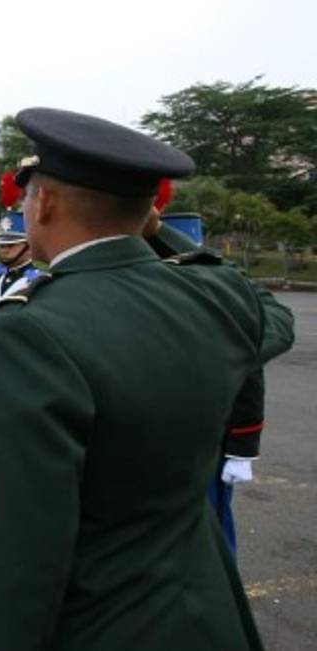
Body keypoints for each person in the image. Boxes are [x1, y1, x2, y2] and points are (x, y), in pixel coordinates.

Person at [0, 107, 295, 650]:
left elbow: (22, 559)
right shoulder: (216, 298)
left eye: (26, 198)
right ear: (148, 215)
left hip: (105, 626)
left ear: (44, 202)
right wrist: (160, 236)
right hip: (210, 615)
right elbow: (263, 307)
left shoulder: (32, 331)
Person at [148, 209, 263, 557]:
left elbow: (248, 373)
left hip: (207, 436)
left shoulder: (217, 296)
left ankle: (222, 591)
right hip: (155, 433)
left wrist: (242, 448)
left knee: (209, 526)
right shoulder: (151, 294)